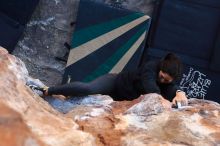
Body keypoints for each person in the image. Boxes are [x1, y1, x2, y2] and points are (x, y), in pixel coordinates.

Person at [31, 53, 188, 107]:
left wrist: (180, 93)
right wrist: (164, 100)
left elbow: (171, 89)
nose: (163, 80)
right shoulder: (151, 67)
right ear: (161, 67)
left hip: (122, 103)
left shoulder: (167, 83)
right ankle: (48, 90)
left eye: (166, 80)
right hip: (115, 84)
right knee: (88, 89)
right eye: (161, 76)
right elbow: (151, 87)